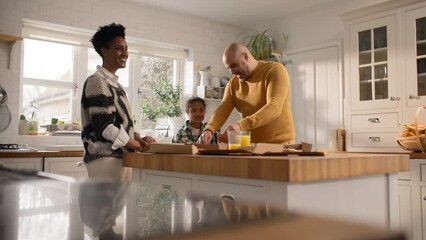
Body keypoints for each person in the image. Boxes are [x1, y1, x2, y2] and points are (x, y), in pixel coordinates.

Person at [81, 23, 155, 181]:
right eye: (119, 48)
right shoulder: (97, 81)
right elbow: (105, 127)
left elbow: (118, 123)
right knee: (103, 206)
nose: (125, 53)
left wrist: (136, 138)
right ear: (104, 51)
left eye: (126, 49)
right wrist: (136, 145)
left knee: (114, 206)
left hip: (120, 158)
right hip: (105, 159)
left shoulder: (117, 86)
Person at [197, 42, 295, 144]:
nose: (232, 72)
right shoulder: (232, 85)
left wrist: (240, 125)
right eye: (229, 68)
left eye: (234, 65)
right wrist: (209, 129)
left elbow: (274, 108)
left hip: (280, 146)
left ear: (246, 56)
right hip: (251, 147)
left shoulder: (275, 70)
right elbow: (222, 109)